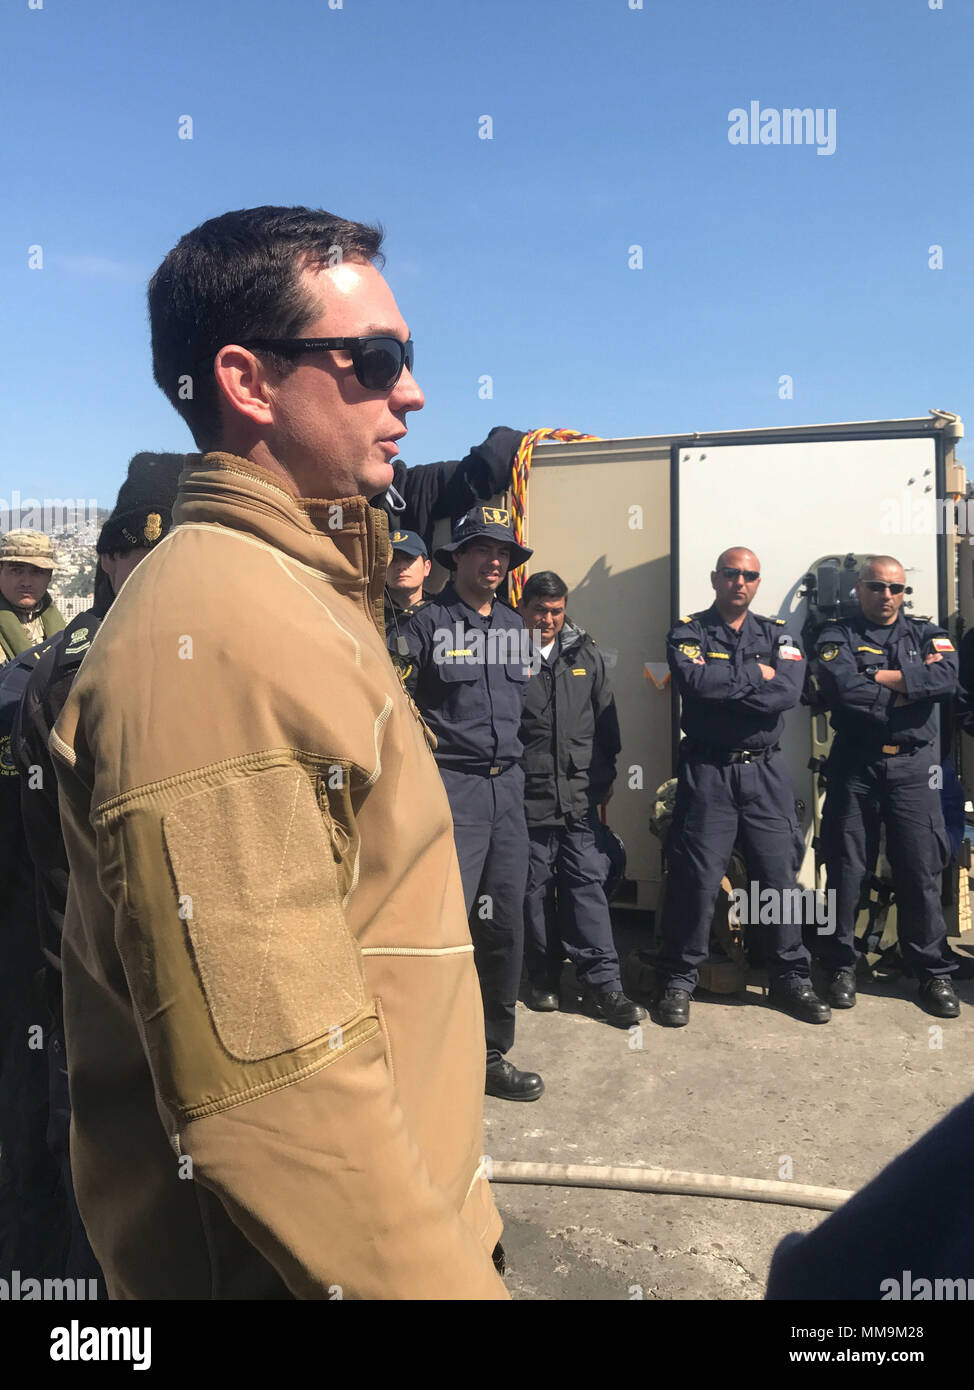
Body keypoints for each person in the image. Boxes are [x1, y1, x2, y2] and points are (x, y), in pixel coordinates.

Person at [50, 205, 507, 1299]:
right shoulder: (216, 632)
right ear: (249, 383)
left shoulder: (294, 592)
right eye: (377, 360)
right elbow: (276, 1102)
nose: (413, 391)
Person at [5, 453, 187, 1294]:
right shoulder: (87, 667)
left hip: (142, 976)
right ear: (111, 558)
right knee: (100, 1179)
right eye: (138, 554)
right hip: (97, 978)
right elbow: (65, 865)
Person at [654, 548, 830, 1028]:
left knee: (778, 878)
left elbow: (788, 693)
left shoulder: (778, 634)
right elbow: (694, 682)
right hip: (708, 772)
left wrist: (731, 685)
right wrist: (755, 674)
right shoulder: (688, 630)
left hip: (764, 775)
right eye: (732, 573)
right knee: (696, 879)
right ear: (716, 577)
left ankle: (790, 977)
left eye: (750, 575)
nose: (740, 582)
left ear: (757, 582)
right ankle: (678, 979)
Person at [405, 506, 544, 1102]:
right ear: (455, 557)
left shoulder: (517, 628)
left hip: (507, 792)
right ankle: (429, 1053)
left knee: (503, 925)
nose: (495, 560)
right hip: (451, 789)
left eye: (504, 553)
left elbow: (532, 715)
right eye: (482, 549)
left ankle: (489, 1053)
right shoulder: (427, 624)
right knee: (444, 925)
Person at [813, 555, 962, 1018]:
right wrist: (907, 690)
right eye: (877, 587)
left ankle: (930, 971)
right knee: (845, 867)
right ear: (859, 589)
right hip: (855, 766)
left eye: (895, 589)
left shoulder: (926, 632)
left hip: (913, 770)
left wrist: (875, 675)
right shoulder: (838, 634)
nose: (887, 596)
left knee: (919, 869)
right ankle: (841, 963)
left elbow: (947, 679)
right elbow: (839, 687)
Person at [518, 571, 646, 1027]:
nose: (548, 619)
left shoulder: (584, 653)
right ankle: (543, 977)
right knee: (532, 893)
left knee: (586, 886)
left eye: (556, 611)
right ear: (523, 605)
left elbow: (606, 726)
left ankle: (604, 986)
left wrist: (605, 777)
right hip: (528, 798)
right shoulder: (505, 652)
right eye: (539, 610)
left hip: (577, 799)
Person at [0, 531, 65, 665]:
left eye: (37, 571)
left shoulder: (59, 626)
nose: (26, 582)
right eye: (16, 570)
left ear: (49, 576)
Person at [385, 529, 433, 672]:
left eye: (408, 558)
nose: (400, 566)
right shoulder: (369, 615)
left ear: (427, 567)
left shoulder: (443, 614)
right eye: (393, 559)